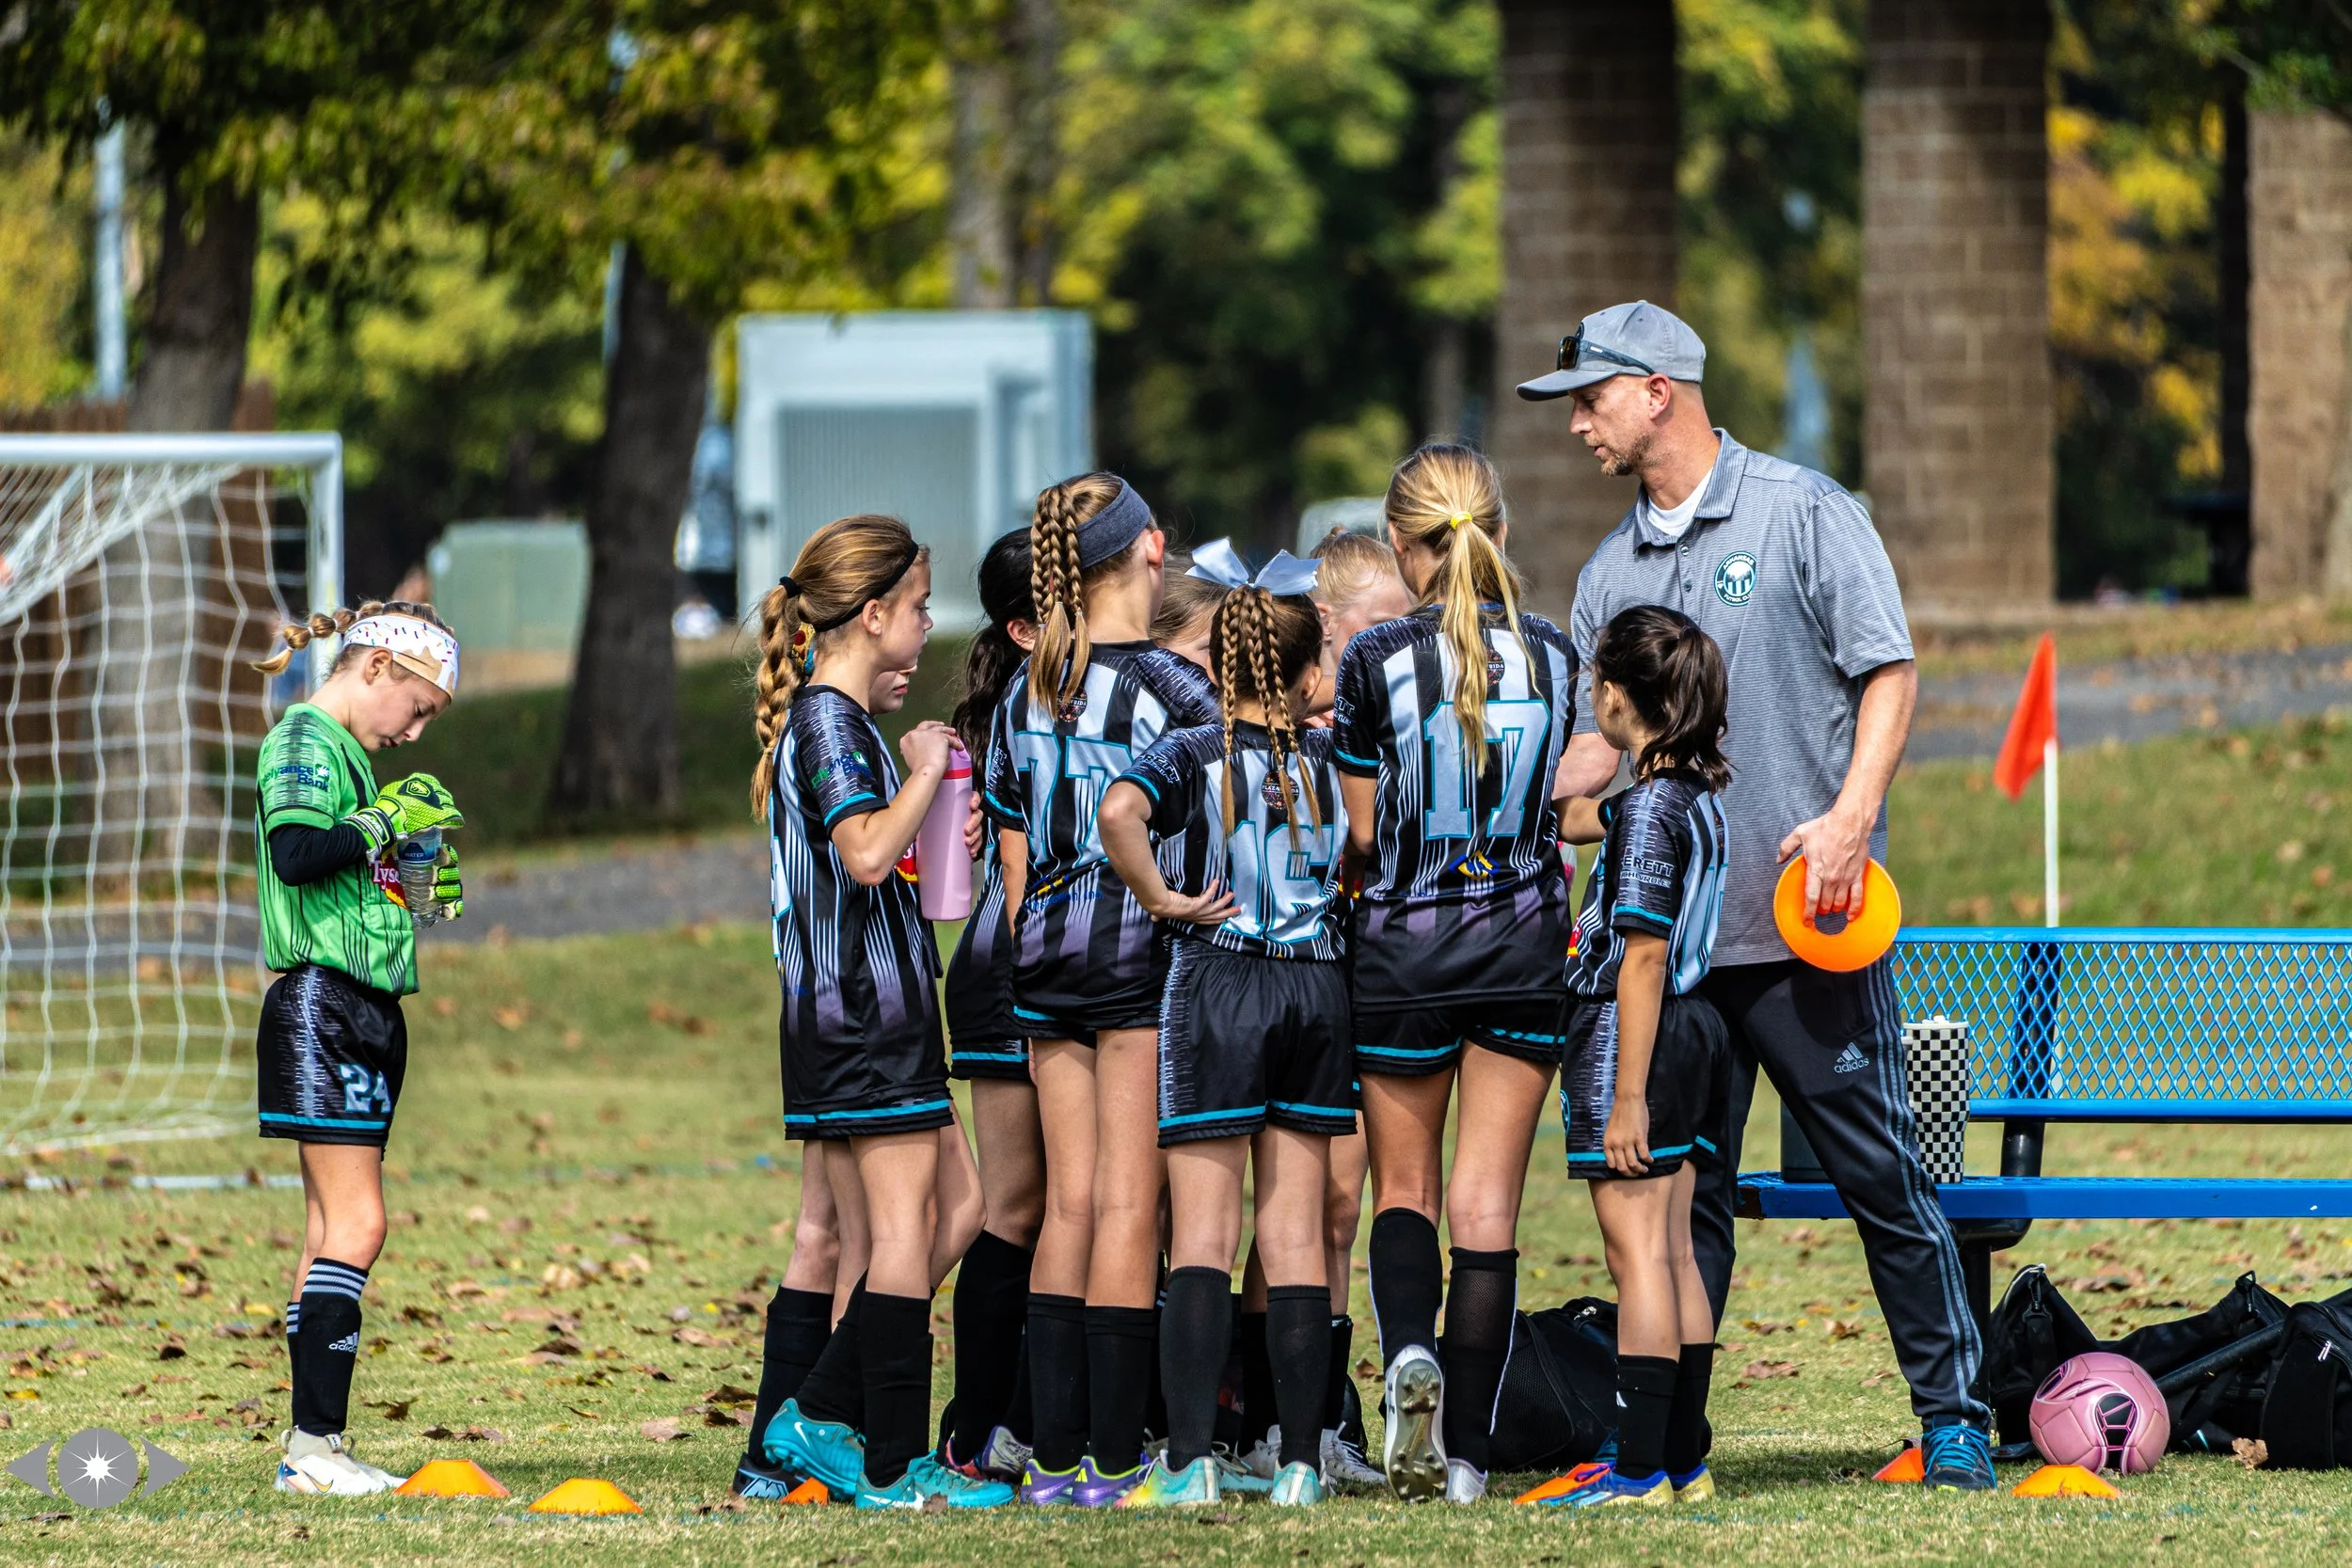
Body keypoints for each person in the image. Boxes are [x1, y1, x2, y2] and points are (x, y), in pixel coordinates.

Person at [1526, 299, 1994, 1488]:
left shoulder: (1803, 513)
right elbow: (1598, 753)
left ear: (1657, 391)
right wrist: (1511, 792)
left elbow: (1886, 669)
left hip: (1806, 930)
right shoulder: (1605, 572)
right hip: (1671, 961)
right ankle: (1667, 1442)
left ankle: (1952, 1415)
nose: (1576, 422)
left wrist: (1848, 819)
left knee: (1881, 1176)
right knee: (1690, 1201)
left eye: (1589, 397)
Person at [1330, 444, 1579, 1503]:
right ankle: (1469, 1458)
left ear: (1401, 542)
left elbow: (1361, 828)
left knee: (1410, 1190)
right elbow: (1564, 809)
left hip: (1404, 953)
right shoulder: (1562, 655)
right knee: (1488, 1207)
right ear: (1501, 532)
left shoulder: (1372, 657)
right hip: (1524, 949)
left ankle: (1405, 1359)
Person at [746, 514, 1005, 1511]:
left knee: (962, 1208)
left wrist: (942, 825)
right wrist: (927, 774)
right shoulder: (825, 719)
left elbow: (880, 865)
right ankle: (891, 1460)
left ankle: (816, 1415)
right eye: (921, 606)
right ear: (873, 612)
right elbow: (859, 850)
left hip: (883, 1007)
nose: (928, 624)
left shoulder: (839, 723)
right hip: (859, 1012)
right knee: (903, 1232)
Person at [1097, 540, 1354, 1509]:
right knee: (1293, 1234)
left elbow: (1119, 808)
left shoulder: (1196, 747)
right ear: (1303, 673)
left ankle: (1192, 1459)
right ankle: (1295, 1460)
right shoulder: (1332, 756)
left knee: (1203, 1232)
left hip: (1219, 982)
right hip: (1317, 986)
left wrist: (1164, 896)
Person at [980, 473, 1220, 1506]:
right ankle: (1116, 1460)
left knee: (1068, 1201)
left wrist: (1032, 934)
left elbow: (1012, 845)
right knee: (1129, 1198)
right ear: (1151, 549)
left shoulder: (1021, 687)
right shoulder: (1177, 692)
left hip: (1042, 959)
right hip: (1135, 955)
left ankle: (1051, 1454)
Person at [250, 601, 467, 1497]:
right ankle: (312, 1447)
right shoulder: (303, 737)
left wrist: (422, 874)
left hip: (367, 1005)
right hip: (322, 1002)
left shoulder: (351, 759)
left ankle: (315, 1449)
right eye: (415, 708)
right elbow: (298, 851)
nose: (413, 732)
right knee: (360, 1224)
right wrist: (379, 824)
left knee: (327, 1230)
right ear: (375, 666)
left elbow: (391, 893)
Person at [1532, 605, 1732, 1509]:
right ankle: (1683, 1459)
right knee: (1678, 1252)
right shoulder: (1690, 794)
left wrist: (1626, 1096)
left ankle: (1641, 1465)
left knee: (1639, 1256)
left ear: (1617, 695)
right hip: (1698, 1029)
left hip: (1636, 1031)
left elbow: (1642, 953)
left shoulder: (1650, 809)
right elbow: (1586, 820)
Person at [938, 529, 1045, 1482]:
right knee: (1016, 1205)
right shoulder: (1031, 702)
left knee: (1059, 1205)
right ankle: (978, 1428)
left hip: (1028, 967)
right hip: (1010, 972)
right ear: (1023, 624)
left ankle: (1012, 1417)